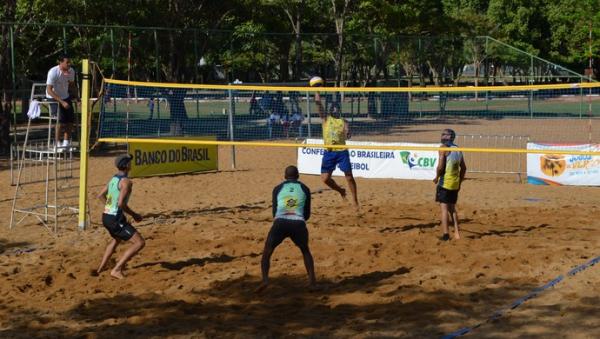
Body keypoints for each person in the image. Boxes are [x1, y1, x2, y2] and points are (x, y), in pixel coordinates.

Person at [256, 165, 316, 292]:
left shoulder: (278, 188)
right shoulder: (305, 188)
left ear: (284, 177)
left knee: (267, 251)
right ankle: (312, 281)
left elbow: (274, 212)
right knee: (305, 250)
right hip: (298, 223)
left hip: (280, 222)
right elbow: (307, 214)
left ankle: (265, 280)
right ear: (298, 176)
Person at [96, 154, 146, 279]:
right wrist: (134, 215)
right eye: (129, 162)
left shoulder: (114, 178)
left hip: (106, 216)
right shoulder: (126, 182)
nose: (131, 163)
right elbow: (121, 204)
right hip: (115, 218)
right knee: (139, 243)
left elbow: (100, 195)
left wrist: (110, 207)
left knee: (116, 240)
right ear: (126, 165)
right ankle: (116, 269)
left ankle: (100, 268)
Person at [315, 91, 359, 209]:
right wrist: (316, 91)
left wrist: (348, 132)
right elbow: (318, 103)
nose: (334, 109)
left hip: (341, 151)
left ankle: (355, 201)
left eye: (336, 108)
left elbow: (347, 132)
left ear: (338, 110)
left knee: (349, 176)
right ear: (330, 110)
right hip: (329, 152)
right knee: (325, 179)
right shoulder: (325, 119)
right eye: (332, 108)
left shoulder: (343, 121)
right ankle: (341, 190)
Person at [433, 129, 467, 241]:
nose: (442, 136)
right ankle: (457, 233)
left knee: (444, 209)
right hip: (455, 183)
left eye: (444, 134)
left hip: (445, 183)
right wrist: (460, 181)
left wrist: (437, 177)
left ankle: (446, 234)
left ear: (449, 137)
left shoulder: (443, 148)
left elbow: (440, 167)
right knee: (452, 209)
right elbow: (464, 168)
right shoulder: (457, 149)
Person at [46, 54, 78, 149]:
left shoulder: (71, 71)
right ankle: (57, 143)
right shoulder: (53, 72)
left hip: (65, 96)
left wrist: (78, 98)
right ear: (61, 62)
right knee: (60, 120)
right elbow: (49, 90)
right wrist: (62, 102)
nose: (69, 64)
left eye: (70, 62)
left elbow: (72, 86)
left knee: (70, 120)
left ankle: (66, 143)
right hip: (53, 97)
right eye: (67, 62)